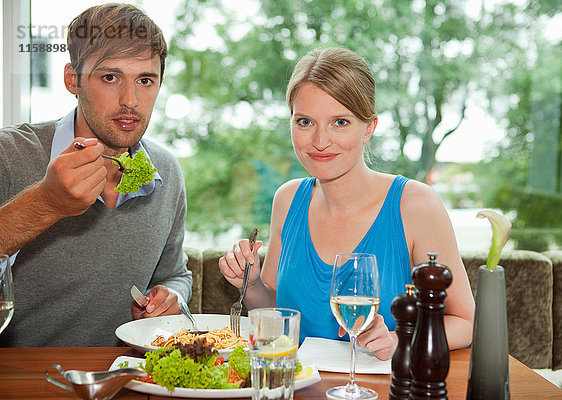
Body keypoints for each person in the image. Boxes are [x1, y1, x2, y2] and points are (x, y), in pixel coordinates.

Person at [218, 47, 475, 361]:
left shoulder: (416, 204)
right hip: (297, 388)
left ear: (369, 128)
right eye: (305, 122)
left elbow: (465, 322)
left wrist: (400, 340)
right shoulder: (287, 199)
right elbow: (276, 315)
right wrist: (253, 283)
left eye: (339, 122)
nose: (320, 141)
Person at [0, 3, 191, 347]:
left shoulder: (167, 172)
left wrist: (172, 297)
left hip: (128, 376)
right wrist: (46, 203)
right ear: (73, 80)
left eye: (145, 80)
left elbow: (175, 274)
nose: (131, 100)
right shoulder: (9, 154)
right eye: (110, 77)